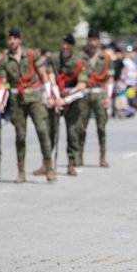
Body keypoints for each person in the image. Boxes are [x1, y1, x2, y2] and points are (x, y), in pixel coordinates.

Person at [0, 29, 55, 183]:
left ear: (20, 40)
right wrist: (0, 102)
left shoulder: (31, 54)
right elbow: (3, 84)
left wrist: (49, 96)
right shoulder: (4, 61)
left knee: (42, 130)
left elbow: (43, 75)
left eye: (15, 38)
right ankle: (21, 171)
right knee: (20, 136)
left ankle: (48, 167)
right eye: (10, 39)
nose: (12, 41)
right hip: (17, 99)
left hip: (34, 96)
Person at [42, 34, 88, 176]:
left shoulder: (79, 60)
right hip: (57, 95)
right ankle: (47, 163)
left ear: (72, 46)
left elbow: (81, 84)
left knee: (73, 131)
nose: (65, 47)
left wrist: (65, 99)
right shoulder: (54, 59)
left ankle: (71, 163)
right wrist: (55, 98)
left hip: (73, 98)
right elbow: (51, 78)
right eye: (63, 43)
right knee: (51, 130)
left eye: (68, 44)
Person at [79, 29, 115, 168]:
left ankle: (102, 156)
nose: (92, 42)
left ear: (98, 41)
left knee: (101, 127)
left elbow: (110, 78)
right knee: (81, 126)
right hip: (85, 93)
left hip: (99, 93)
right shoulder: (82, 57)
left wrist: (109, 97)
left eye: (95, 39)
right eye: (90, 39)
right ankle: (79, 155)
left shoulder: (105, 57)